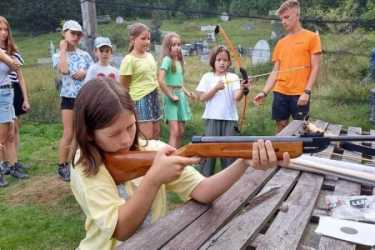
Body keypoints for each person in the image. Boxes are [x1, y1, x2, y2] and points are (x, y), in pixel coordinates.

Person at [70, 78, 289, 250]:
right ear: (89, 134)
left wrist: (243, 161)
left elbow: (203, 191)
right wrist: (154, 179)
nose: (126, 140)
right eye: (114, 134)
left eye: (130, 127)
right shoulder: (85, 165)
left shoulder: (153, 149)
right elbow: (121, 229)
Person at [253, 0, 322, 134]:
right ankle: (280, 154)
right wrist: (264, 92)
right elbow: (275, 71)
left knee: (301, 129)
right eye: (281, 19)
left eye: (287, 17)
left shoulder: (312, 38)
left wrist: (307, 92)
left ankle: (298, 155)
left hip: (300, 93)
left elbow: (315, 67)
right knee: (281, 127)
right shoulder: (281, 43)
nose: (284, 21)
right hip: (280, 92)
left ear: (297, 15)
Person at [195, 46, 250, 177]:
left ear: (229, 62)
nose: (222, 62)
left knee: (229, 154)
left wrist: (243, 89)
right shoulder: (207, 77)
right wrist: (215, 88)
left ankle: (230, 182)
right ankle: (204, 181)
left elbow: (237, 97)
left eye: (225, 60)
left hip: (230, 121)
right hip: (212, 119)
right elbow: (202, 97)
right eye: (219, 59)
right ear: (213, 61)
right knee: (209, 153)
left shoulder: (233, 76)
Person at [52, 20, 93, 182]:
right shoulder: (58, 55)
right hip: (68, 98)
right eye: (72, 33)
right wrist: (62, 49)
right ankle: (62, 165)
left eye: (78, 34)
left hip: (84, 97)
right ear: (64, 34)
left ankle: (76, 162)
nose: (75, 37)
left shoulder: (85, 55)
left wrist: (85, 71)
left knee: (81, 133)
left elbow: (92, 71)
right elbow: (62, 69)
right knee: (68, 132)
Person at [119, 22, 161, 140]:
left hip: (154, 97)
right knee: (146, 137)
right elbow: (123, 88)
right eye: (143, 38)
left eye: (148, 38)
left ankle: (156, 158)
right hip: (139, 99)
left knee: (156, 134)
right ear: (133, 40)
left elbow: (154, 77)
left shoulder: (150, 56)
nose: (147, 42)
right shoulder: (129, 60)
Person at [0, 16, 28, 187]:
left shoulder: (9, 50)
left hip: (8, 93)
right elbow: (13, 64)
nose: (3, 33)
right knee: (1, 137)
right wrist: (12, 61)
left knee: (11, 132)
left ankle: (12, 164)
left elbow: (18, 71)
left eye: (5, 29)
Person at [158, 32, 195, 148]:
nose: (177, 47)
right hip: (171, 98)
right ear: (168, 47)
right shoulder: (167, 60)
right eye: (173, 45)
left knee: (181, 131)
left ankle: (176, 154)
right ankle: (169, 159)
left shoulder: (179, 62)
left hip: (181, 97)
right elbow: (160, 80)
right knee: (174, 131)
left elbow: (180, 84)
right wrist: (170, 95)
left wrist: (188, 93)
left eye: (179, 44)